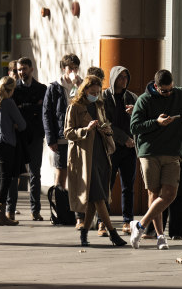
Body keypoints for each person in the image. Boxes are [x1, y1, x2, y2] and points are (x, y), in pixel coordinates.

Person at [129, 66, 182, 250]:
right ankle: (161, 236)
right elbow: (135, 127)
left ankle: (139, 225)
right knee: (154, 194)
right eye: (164, 91)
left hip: (173, 153)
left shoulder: (179, 94)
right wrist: (156, 122)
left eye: (171, 89)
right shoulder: (144, 99)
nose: (168, 93)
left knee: (170, 194)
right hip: (149, 152)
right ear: (156, 86)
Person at [64, 75, 127, 247]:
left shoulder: (99, 105)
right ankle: (113, 233)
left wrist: (105, 129)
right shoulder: (75, 107)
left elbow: (105, 124)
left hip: (100, 153)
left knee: (94, 197)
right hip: (85, 156)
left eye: (98, 92)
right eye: (92, 92)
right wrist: (85, 129)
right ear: (84, 90)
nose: (95, 95)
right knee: (99, 197)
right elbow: (68, 132)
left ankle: (84, 233)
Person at [43, 53, 84, 229]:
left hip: (78, 138)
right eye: (70, 68)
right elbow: (47, 113)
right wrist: (51, 138)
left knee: (78, 175)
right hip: (61, 138)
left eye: (76, 68)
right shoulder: (54, 87)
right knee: (61, 175)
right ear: (64, 69)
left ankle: (77, 214)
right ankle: (61, 211)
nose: (73, 71)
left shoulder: (82, 86)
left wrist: (80, 85)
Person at [102, 65, 138, 236]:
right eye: (120, 77)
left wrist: (135, 113)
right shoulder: (104, 97)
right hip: (110, 147)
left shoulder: (132, 97)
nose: (124, 80)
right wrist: (124, 138)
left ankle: (127, 221)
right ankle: (103, 221)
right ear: (113, 78)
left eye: (126, 77)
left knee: (128, 186)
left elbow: (141, 120)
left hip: (129, 149)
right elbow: (105, 123)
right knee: (106, 184)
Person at [12, 57, 47, 221]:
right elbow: (14, 111)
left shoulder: (42, 89)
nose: (21, 72)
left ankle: (35, 210)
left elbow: (43, 111)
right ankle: (10, 210)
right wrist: (32, 106)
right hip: (18, 136)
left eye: (24, 69)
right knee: (14, 174)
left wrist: (23, 107)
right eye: (19, 69)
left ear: (31, 69)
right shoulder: (14, 89)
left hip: (35, 136)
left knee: (35, 174)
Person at [0, 76, 26, 226]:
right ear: (10, 90)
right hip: (6, 143)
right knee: (5, 179)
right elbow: (22, 124)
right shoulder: (9, 103)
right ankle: (1, 216)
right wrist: (14, 126)